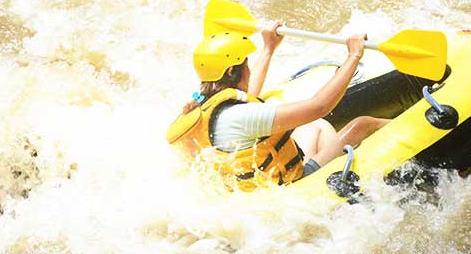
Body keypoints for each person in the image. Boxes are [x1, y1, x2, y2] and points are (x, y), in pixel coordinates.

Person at [165, 22, 390, 190]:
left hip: (256, 190)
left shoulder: (202, 107)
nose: (249, 70)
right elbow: (320, 106)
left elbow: (249, 93)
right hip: (289, 188)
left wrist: (269, 48)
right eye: (246, 65)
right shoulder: (242, 116)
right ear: (233, 71)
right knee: (361, 124)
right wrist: (353, 55)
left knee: (314, 128)